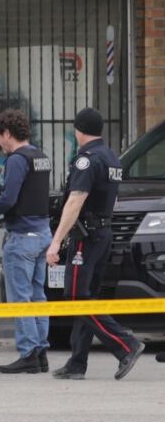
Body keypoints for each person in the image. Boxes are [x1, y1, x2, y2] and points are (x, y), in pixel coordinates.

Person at [46, 108, 145, 380]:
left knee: (76, 297)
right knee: (88, 297)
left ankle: (127, 345)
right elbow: (114, 200)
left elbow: (75, 200)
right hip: (103, 234)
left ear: (79, 130)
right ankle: (77, 363)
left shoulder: (86, 160)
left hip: (86, 238)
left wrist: (55, 243)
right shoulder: (111, 157)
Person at [0, 109, 52, 374]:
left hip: (21, 237)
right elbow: (27, 195)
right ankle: (41, 353)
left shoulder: (17, 160)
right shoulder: (40, 156)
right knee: (38, 296)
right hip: (42, 233)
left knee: (20, 297)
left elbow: (9, 199)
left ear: (7, 133)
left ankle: (28, 353)